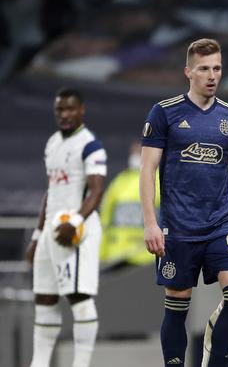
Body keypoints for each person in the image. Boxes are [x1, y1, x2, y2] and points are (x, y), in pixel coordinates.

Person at [140, 38, 228, 367]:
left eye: (217, 68)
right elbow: (147, 170)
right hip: (177, 228)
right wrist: (150, 223)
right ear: (188, 72)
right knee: (177, 306)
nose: (212, 75)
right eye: (204, 68)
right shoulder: (165, 113)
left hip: (220, 225)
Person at [25, 88, 107, 367]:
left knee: (79, 297)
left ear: (81, 110)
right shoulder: (52, 143)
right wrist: (38, 235)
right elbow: (51, 191)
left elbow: (96, 191)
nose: (65, 114)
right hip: (51, 230)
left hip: (76, 232)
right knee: (44, 298)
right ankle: (40, 362)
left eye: (70, 109)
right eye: (59, 109)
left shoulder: (90, 145)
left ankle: (81, 364)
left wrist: (74, 222)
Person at [99, 140, 157, 268]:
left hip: (147, 258)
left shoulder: (159, 181)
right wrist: (102, 254)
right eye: (134, 152)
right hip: (116, 257)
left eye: (140, 152)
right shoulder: (119, 182)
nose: (136, 156)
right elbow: (105, 220)